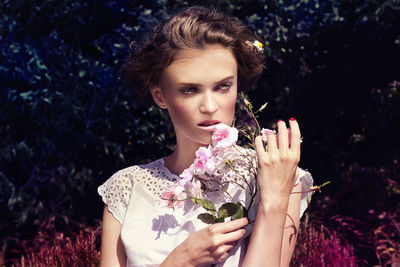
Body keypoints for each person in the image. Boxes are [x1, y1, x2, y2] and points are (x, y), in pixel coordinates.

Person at [98, 6, 313, 267]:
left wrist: (274, 201)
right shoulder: (126, 188)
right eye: (190, 90)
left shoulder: (280, 177)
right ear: (160, 96)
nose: (210, 106)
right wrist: (181, 261)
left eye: (223, 86)